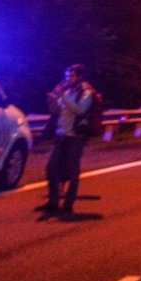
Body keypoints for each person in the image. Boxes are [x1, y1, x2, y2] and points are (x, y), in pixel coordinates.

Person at [39, 63, 99, 215]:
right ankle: (53, 202)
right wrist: (53, 99)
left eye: (71, 76)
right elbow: (58, 111)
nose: (67, 79)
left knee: (72, 171)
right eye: (66, 76)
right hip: (62, 134)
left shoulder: (87, 93)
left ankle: (68, 205)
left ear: (80, 76)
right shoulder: (69, 91)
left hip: (75, 137)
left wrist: (63, 96)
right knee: (51, 168)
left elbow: (80, 110)